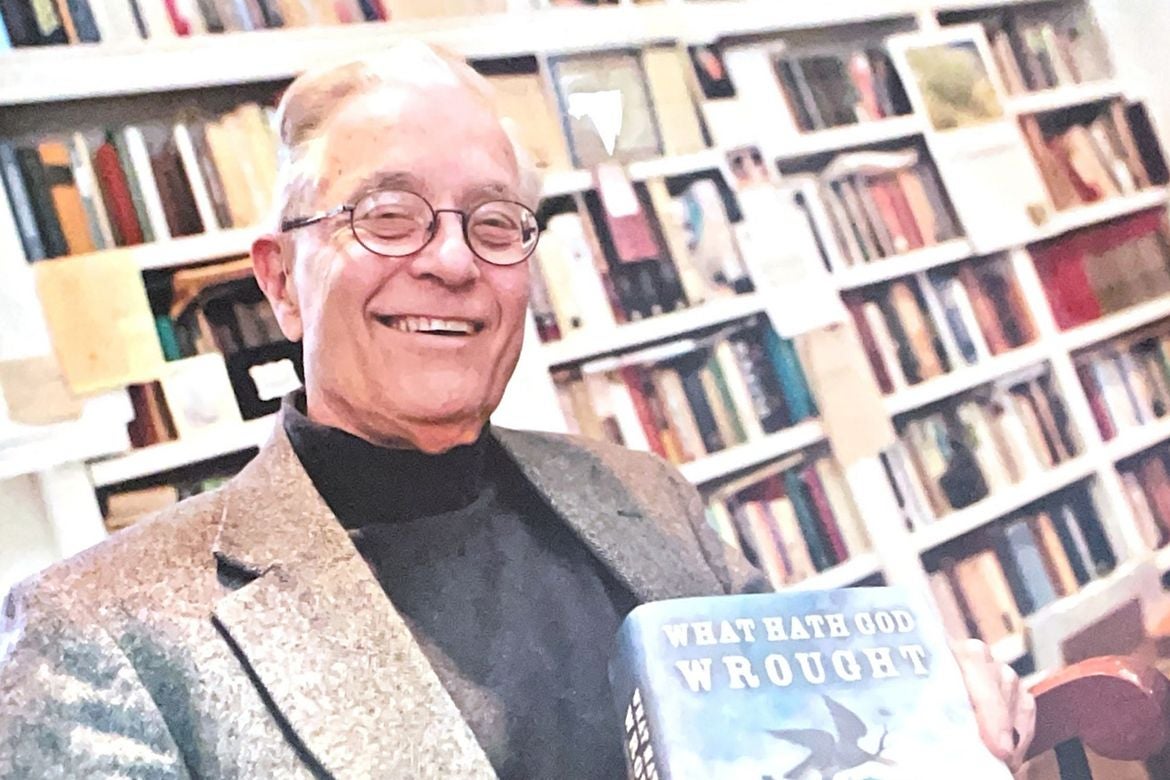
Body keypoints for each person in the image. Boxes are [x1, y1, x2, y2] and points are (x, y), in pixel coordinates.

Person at [0, 43, 1034, 778]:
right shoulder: (101, 636)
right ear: (279, 280)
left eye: (495, 222)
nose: (451, 260)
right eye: (388, 214)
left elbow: (804, 735)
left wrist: (931, 707)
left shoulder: (646, 494)